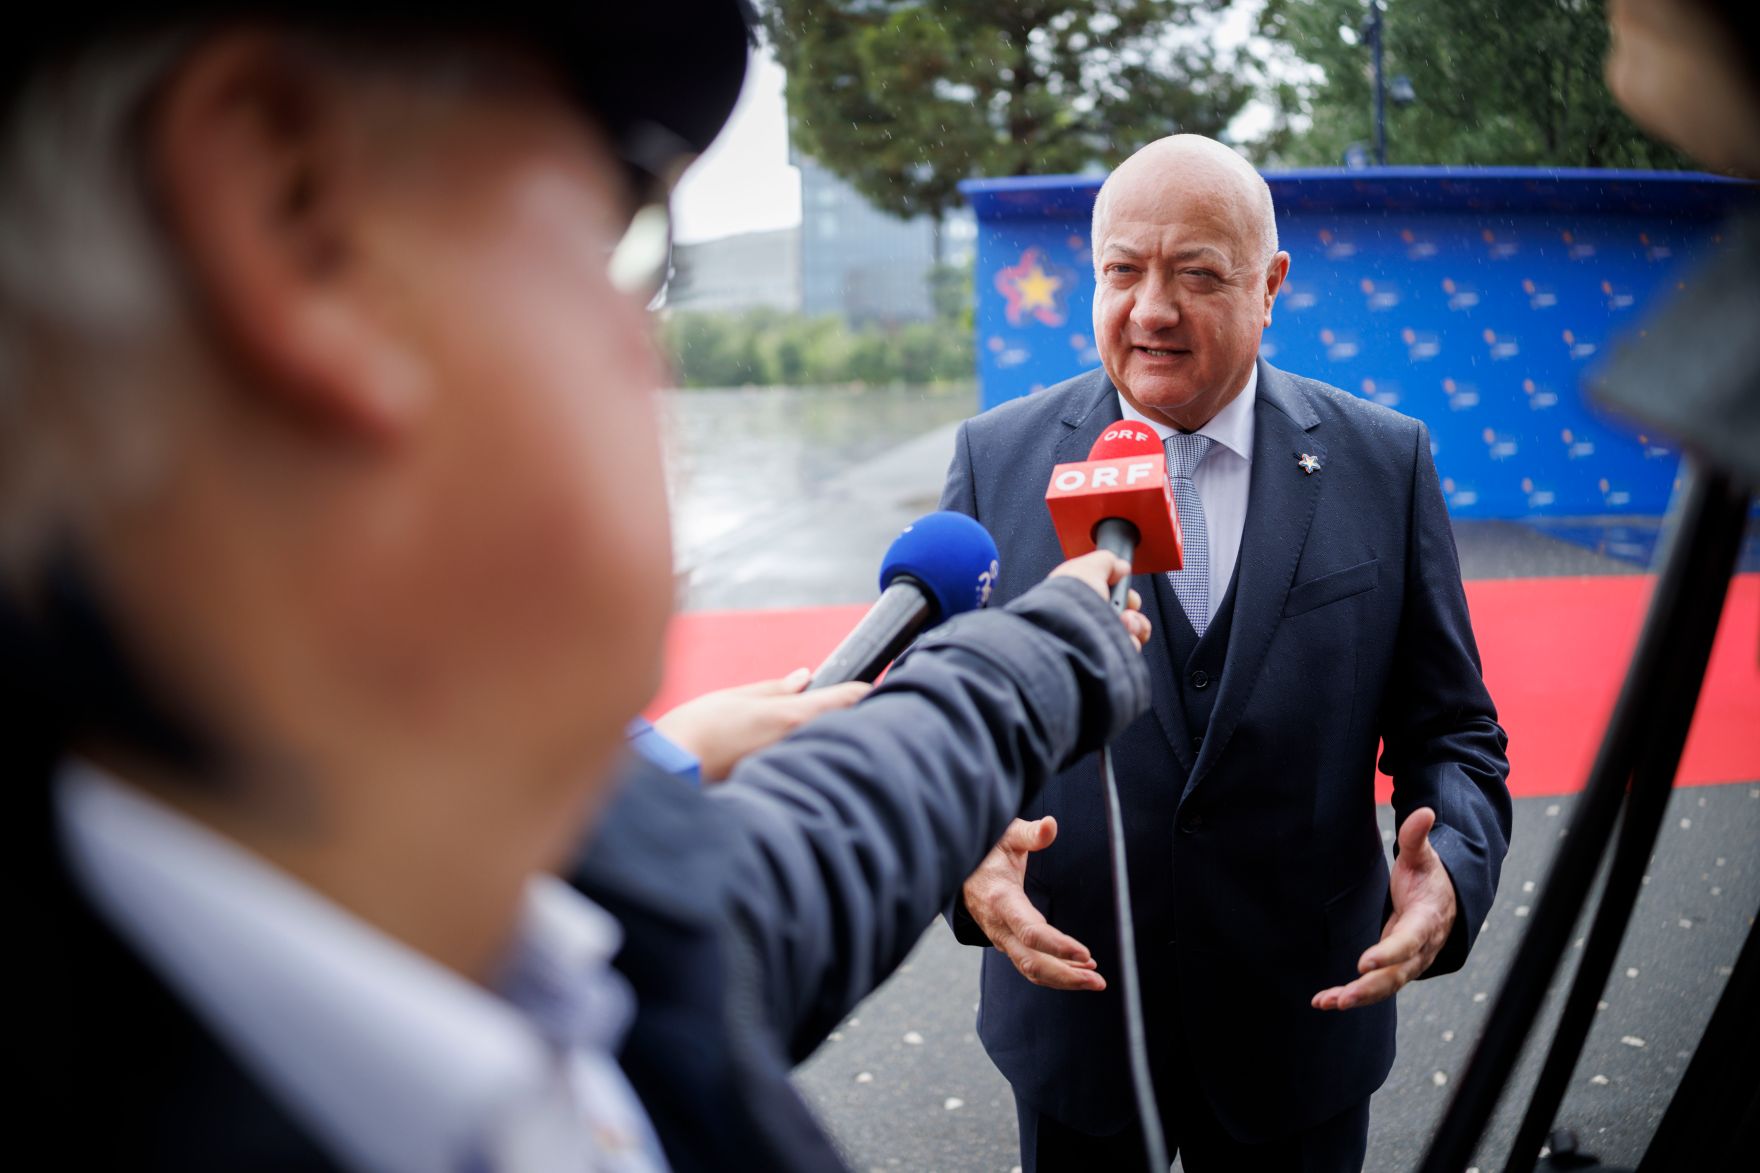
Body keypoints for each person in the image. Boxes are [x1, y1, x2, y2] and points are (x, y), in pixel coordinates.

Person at [4, 4, 1156, 1170]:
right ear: (298, 215)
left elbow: (804, 856)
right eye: (625, 230)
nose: (642, 348)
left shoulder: (488, 895)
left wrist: (1046, 654)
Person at [941, 134, 1514, 1172]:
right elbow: (944, 733)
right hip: (1075, 1032)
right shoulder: (995, 461)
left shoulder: (1381, 462)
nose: (1150, 309)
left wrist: (1451, 876)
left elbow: (1451, 731)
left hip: (1300, 1033)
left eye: (1196, 274)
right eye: (1122, 270)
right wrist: (966, 857)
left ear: (1269, 286)